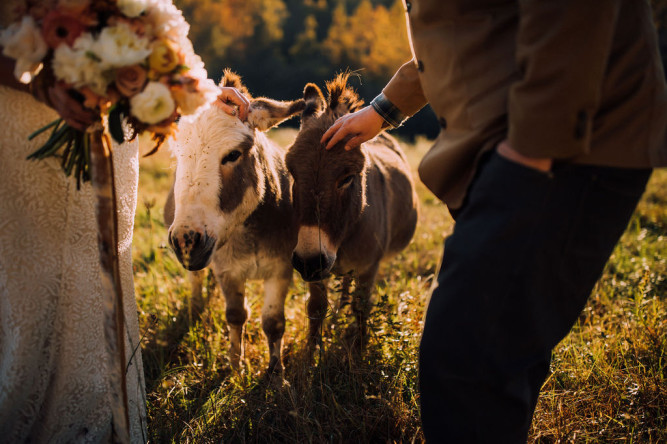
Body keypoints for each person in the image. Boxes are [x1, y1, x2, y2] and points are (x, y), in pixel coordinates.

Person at [322, 1, 666, 442]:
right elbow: (467, 25)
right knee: (499, 349)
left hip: (563, 143)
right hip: (512, 141)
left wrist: (528, 154)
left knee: (467, 360)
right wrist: (384, 109)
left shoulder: (535, 152)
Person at [0, 5, 248, 442]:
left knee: (96, 264)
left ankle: (100, 414)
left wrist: (188, 89)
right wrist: (39, 81)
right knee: (25, 272)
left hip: (110, 127)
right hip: (17, 114)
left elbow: (148, 19)